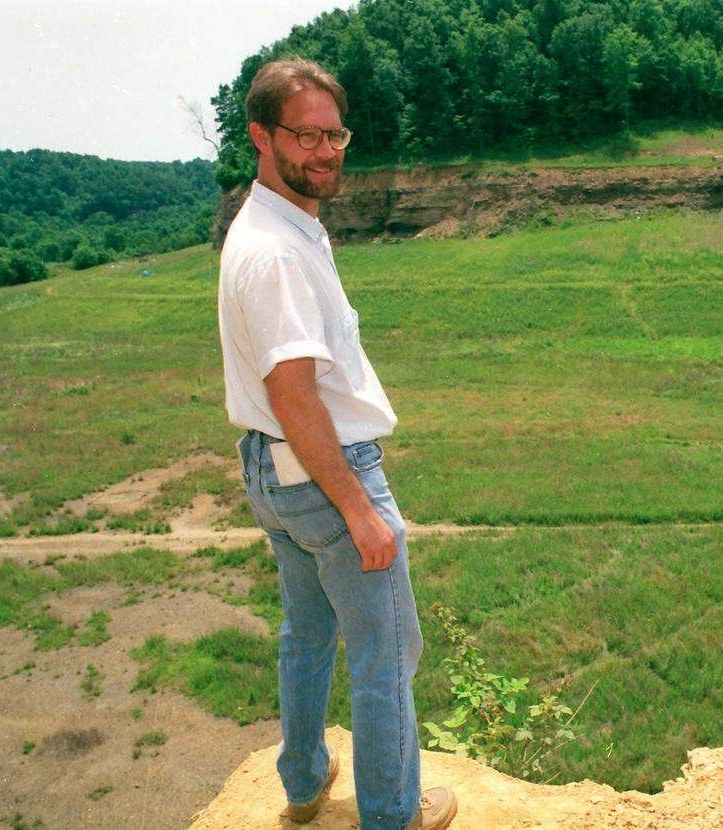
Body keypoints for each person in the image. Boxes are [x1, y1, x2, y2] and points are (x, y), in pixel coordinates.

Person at [216, 57, 457, 830]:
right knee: (388, 655)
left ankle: (305, 781)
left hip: (273, 474)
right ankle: (392, 814)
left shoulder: (275, 226)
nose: (325, 151)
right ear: (260, 135)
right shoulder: (279, 251)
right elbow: (294, 394)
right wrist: (357, 507)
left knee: (308, 633)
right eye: (305, 135)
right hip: (324, 473)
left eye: (335, 134)